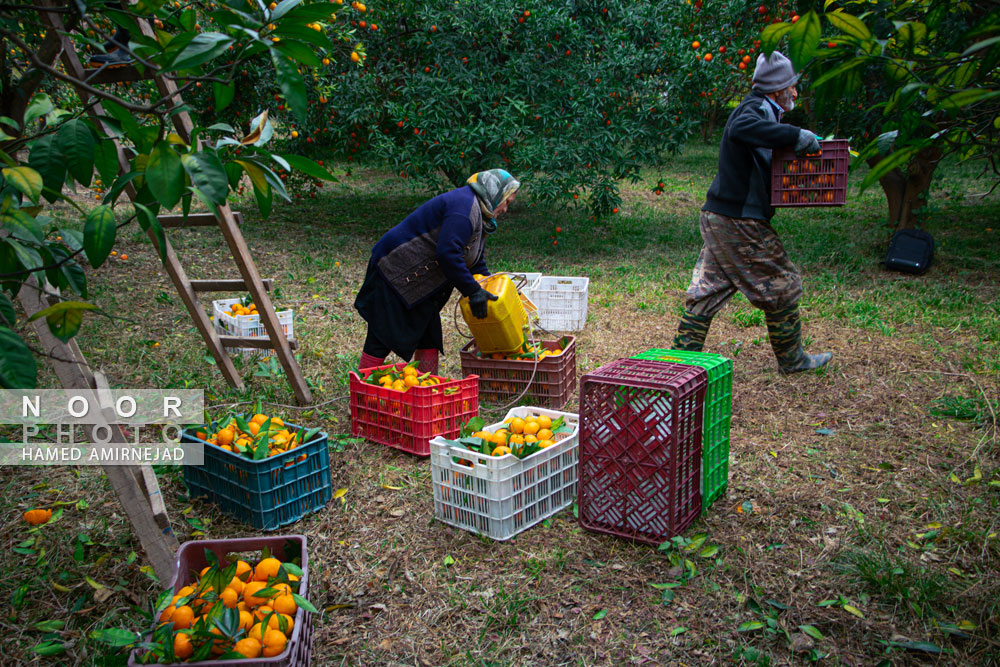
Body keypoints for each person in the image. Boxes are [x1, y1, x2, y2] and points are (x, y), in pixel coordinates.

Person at [672, 51, 832, 374]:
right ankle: (794, 361)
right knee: (782, 281)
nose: (795, 93)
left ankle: (678, 363)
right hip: (738, 220)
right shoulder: (755, 108)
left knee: (707, 290)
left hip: (721, 216)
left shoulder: (766, 111)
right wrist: (794, 135)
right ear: (776, 90)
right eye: (790, 87)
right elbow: (743, 127)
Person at [354, 169, 521, 375]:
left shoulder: (481, 214)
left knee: (428, 333)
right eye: (507, 202)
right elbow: (448, 254)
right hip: (397, 271)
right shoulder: (464, 208)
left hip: (423, 280)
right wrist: (472, 290)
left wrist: (489, 287)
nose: (505, 209)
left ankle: (426, 386)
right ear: (496, 193)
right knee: (384, 332)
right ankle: (361, 387)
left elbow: (475, 259)